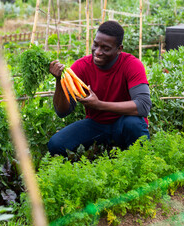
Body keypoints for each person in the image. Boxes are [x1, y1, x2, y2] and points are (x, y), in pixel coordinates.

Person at [48, 20, 152, 156]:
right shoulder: (81, 67)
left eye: (106, 48)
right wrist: (58, 81)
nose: (97, 52)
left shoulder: (131, 65)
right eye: (95, 45)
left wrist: (99, 105)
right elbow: (63, 112)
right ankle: (85, 170)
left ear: (119, 49)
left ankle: (140, 163)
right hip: (96, 124)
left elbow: (143, 106)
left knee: (133, 124)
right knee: (56, 144)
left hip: (124, 122)